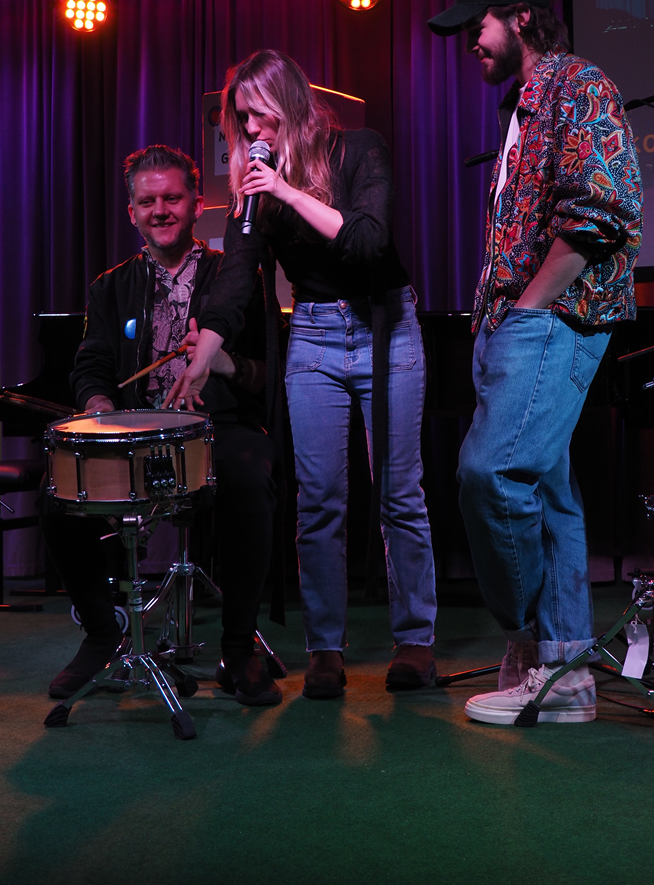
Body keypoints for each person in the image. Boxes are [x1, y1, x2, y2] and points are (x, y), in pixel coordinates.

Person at [165, 50, 438, 698]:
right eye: (242, 119)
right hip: (314, 335)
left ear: (290, 104)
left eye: (260, 115)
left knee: (399, 494)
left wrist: (285, 189)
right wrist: (204, 350)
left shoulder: (360, 149)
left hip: (385, 327)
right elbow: (236, 279)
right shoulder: (252, 195)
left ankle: (415, 641)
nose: (252, 129)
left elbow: (367, 241)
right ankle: (325, 649)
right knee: (318, 501)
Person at [428, 0, 642, 724]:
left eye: (477, 25)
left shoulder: (577, 84)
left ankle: (528, 640)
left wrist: (525, 309)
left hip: (552, 316)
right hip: (515, 321)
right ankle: (566, 673)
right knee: (549, 493)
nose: (469, 42)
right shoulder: (519, 106)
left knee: (489, 473)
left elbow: (603, 208)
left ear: (520, 16)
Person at [42, 145, 280, 707]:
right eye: (148, 202)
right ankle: (102, 634)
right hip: (134, 437)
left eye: (172, 198)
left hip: (217, 430)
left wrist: (226, 364)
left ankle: (238, 648)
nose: (161, 211)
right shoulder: (110, 286)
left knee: (250, 477)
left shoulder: (237, 277)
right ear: (132, 212)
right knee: (56, 492)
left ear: (197, 204)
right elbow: (91, 366)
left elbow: (269, 374)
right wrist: (101, 407)